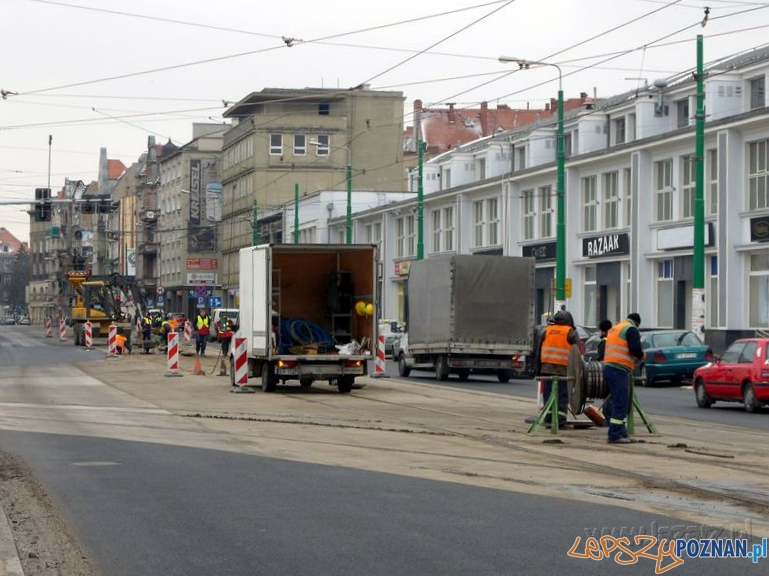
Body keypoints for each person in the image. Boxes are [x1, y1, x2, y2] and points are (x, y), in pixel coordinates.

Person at [603, 312, 645, 444]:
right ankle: (615, 434)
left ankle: (622, 432)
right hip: (619, 368)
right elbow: (635, 349)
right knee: (621, 402)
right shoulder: (631, 329)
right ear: (637, 323)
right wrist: (642, 355)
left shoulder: (616, 328)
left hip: (609, 367)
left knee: (620, 401)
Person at [535, 309, 580, 427]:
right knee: (562, 396)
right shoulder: (571, 332)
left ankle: (549, 419)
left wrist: (537, 369)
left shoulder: (547, 331)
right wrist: (577, 372)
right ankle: (560, 421)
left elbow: (538, 351)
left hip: (546, 369)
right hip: (564, 370)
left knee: (548, 395)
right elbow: (577, 353)